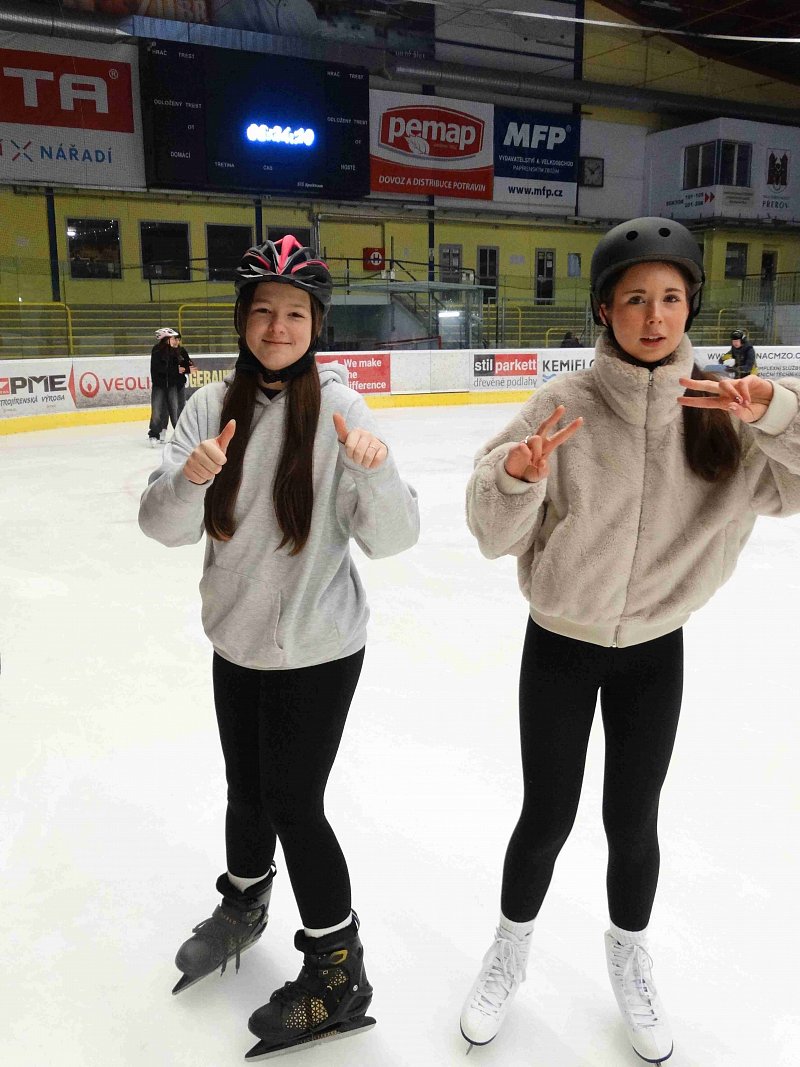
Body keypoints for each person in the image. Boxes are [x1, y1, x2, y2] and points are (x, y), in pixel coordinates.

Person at [461, 216, 800, 1065]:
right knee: (546, 814)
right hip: (560, 642)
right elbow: (492, 531)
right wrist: (517, 478)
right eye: (636, 299)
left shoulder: (722, 406)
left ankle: (629, 957)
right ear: (605, 310)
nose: (656, 316)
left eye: (672, 298)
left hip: (655, 648)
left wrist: (778, 414)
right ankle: (509, 949)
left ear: (692, 307)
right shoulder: (565, 404)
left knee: (632, 819)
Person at [138, 236, 419, 1058]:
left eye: (294, 312)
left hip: (318, 647)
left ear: (316, 324)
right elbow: (161, 527)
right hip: (236, 640)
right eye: (262, 309)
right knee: (245, 787)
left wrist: (374, 471)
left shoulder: (341, 409)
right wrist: (190, 478)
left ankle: (338, 972)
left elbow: (395, 539)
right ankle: (245, 901)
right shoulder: (206, 407)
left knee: (296, 803)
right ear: (242, 319)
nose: (277, 326)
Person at [147, 327, 186, 447]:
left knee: (175, 411)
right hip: (159, 386)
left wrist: (181, 372)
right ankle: (154, 434)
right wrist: (175, 371)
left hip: (173, 385)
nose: (176, 341)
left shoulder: (178, 351)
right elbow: (157, 369)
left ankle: (181, 436)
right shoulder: (157, 350)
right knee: (157, 410)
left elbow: (185, 366)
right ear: (166, 339)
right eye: (174, 339)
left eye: (177, 339)